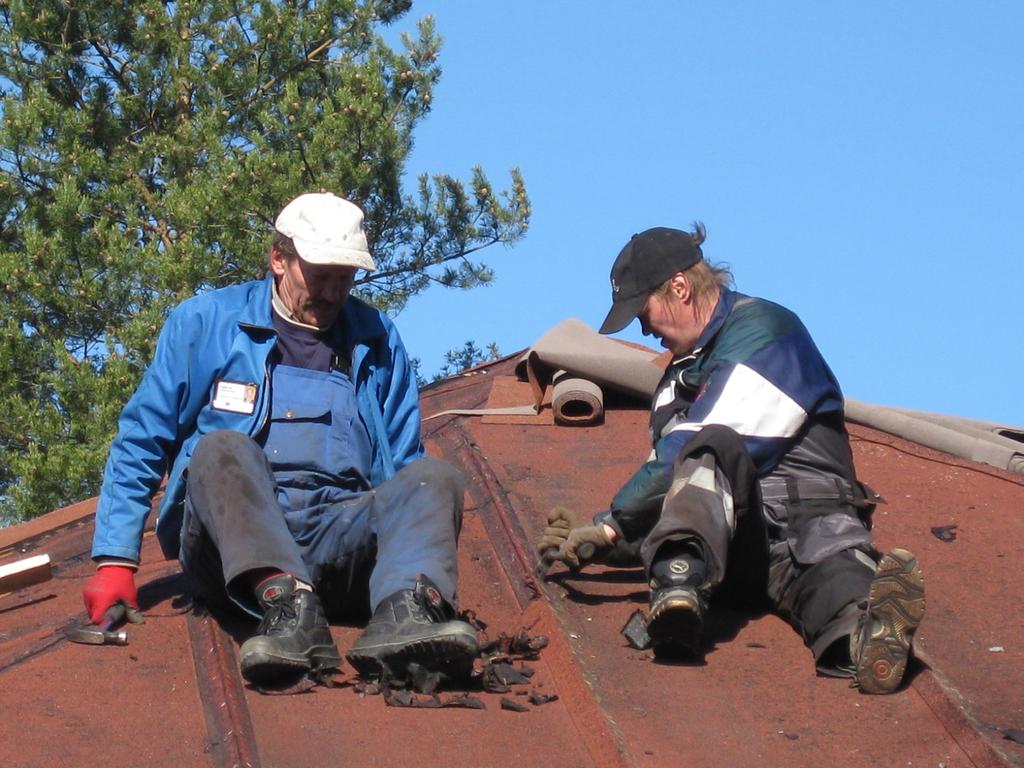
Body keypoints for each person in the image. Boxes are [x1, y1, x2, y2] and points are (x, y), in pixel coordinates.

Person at [83, 192, 478, 684]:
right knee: (222, 449)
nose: (333, 293)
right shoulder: (206, 323)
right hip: (233, 549)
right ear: (278, 259)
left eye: (345, 278)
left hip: (338, 537)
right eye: (320, 277)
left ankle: (405, 617)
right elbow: (143, 438)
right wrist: (115, 558)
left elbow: (402, 462)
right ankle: (287, 607)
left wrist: (412, 554)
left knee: (434, 477)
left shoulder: (376, 338)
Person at [537, 224, 925, 694]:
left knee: (839, 582)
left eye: (643, 310)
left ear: (679, 287)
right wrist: (603, 542)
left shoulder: (765, 331)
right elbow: (673, 492)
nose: (642, 328)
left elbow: (692, 447)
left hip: (808, 528)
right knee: (703, 454)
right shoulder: (671, 384)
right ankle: (676, 588)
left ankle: (867, 642)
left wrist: (611, 524)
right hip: (732, 550)